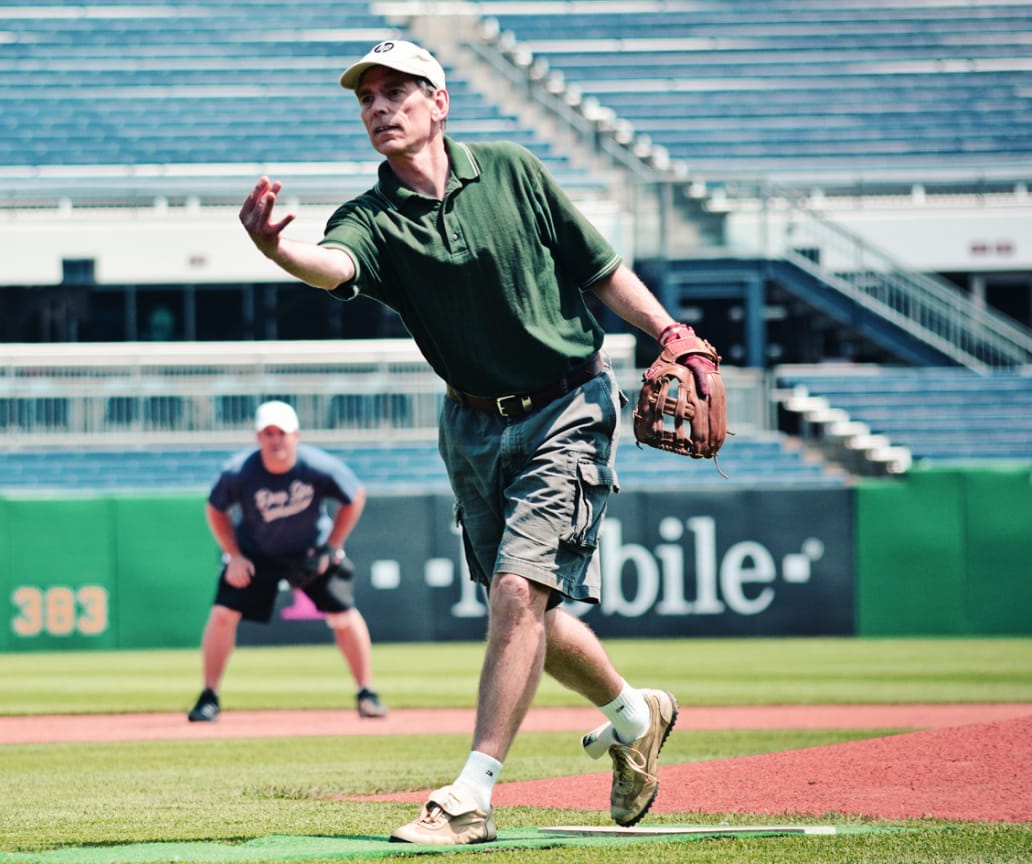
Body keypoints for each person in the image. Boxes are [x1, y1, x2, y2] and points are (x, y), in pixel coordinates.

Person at [237, 40, 716, 844]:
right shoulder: (370, 217)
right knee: (531, 612)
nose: (379, 107)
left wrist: (672, 330)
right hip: (468, 425)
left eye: (396, 91)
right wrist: (276, 249)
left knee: (518, 594)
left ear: (439, 101)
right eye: (367, 97)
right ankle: (637, 718)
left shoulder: (514, 170)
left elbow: (599, 267)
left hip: (566, 406)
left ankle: (470, 796)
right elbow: (330, 263)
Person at [188, 400, 387, 723]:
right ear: (258, 438)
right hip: (255, 554)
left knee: (343, 615)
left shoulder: (318, 466)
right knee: (223, 613)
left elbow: (355, 496)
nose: (275, 439)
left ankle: (367, 693)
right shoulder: (239, 472)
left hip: (311, 552)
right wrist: (234, 555)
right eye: (268, 433)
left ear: (296, 435)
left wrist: (332, 547)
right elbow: (215, 508)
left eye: (281, 432)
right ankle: (209, 695)